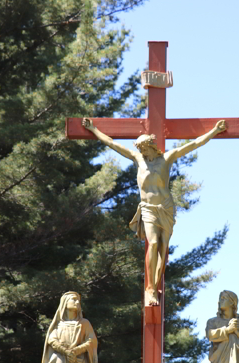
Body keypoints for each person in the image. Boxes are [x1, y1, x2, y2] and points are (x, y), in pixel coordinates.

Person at [82, 118, 227, 305]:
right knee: (153, 244)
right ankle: (150, 288)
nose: (142, 152)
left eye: (144, 148)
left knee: (163, 249)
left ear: (151, 146)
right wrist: (94, 129)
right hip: (148, 209)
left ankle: (156, 283)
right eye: (140, 149)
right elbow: (112, 143)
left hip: (165, 208)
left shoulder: (167, 158)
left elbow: (194, 144)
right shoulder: (137, 158)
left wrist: (214, 131)